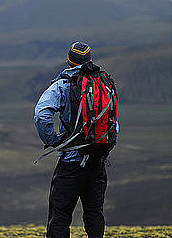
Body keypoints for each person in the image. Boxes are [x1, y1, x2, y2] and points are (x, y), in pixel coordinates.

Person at [34, 41, 118, 238]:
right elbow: (113, 123)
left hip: (71, 163)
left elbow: (41, 114)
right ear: (90, 59)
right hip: (97, 162)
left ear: (69, 61)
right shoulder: (104, 85)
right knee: (94, 215)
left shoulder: (63, 85)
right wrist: (101, 147)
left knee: (60, 216)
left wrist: (53, 139)